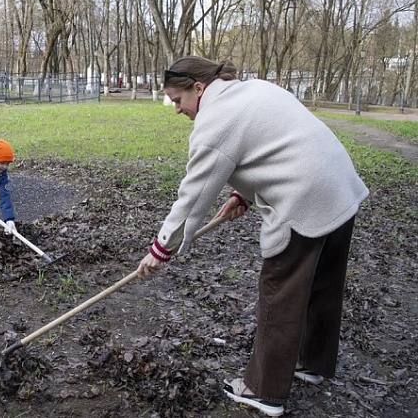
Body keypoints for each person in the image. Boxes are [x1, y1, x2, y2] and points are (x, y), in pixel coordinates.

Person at [136, 56, 369, 416]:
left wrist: (160, 249)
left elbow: (193, 196)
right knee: (322, 285)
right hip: (339, 189)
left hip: (304, 200)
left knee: (280, 294)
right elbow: (276, 146)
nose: (176, 109)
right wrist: (241, 195)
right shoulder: (253, 89)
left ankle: (264, 391)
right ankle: (313, 363)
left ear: (198, 88)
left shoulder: (216, 121)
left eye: (178, 100)